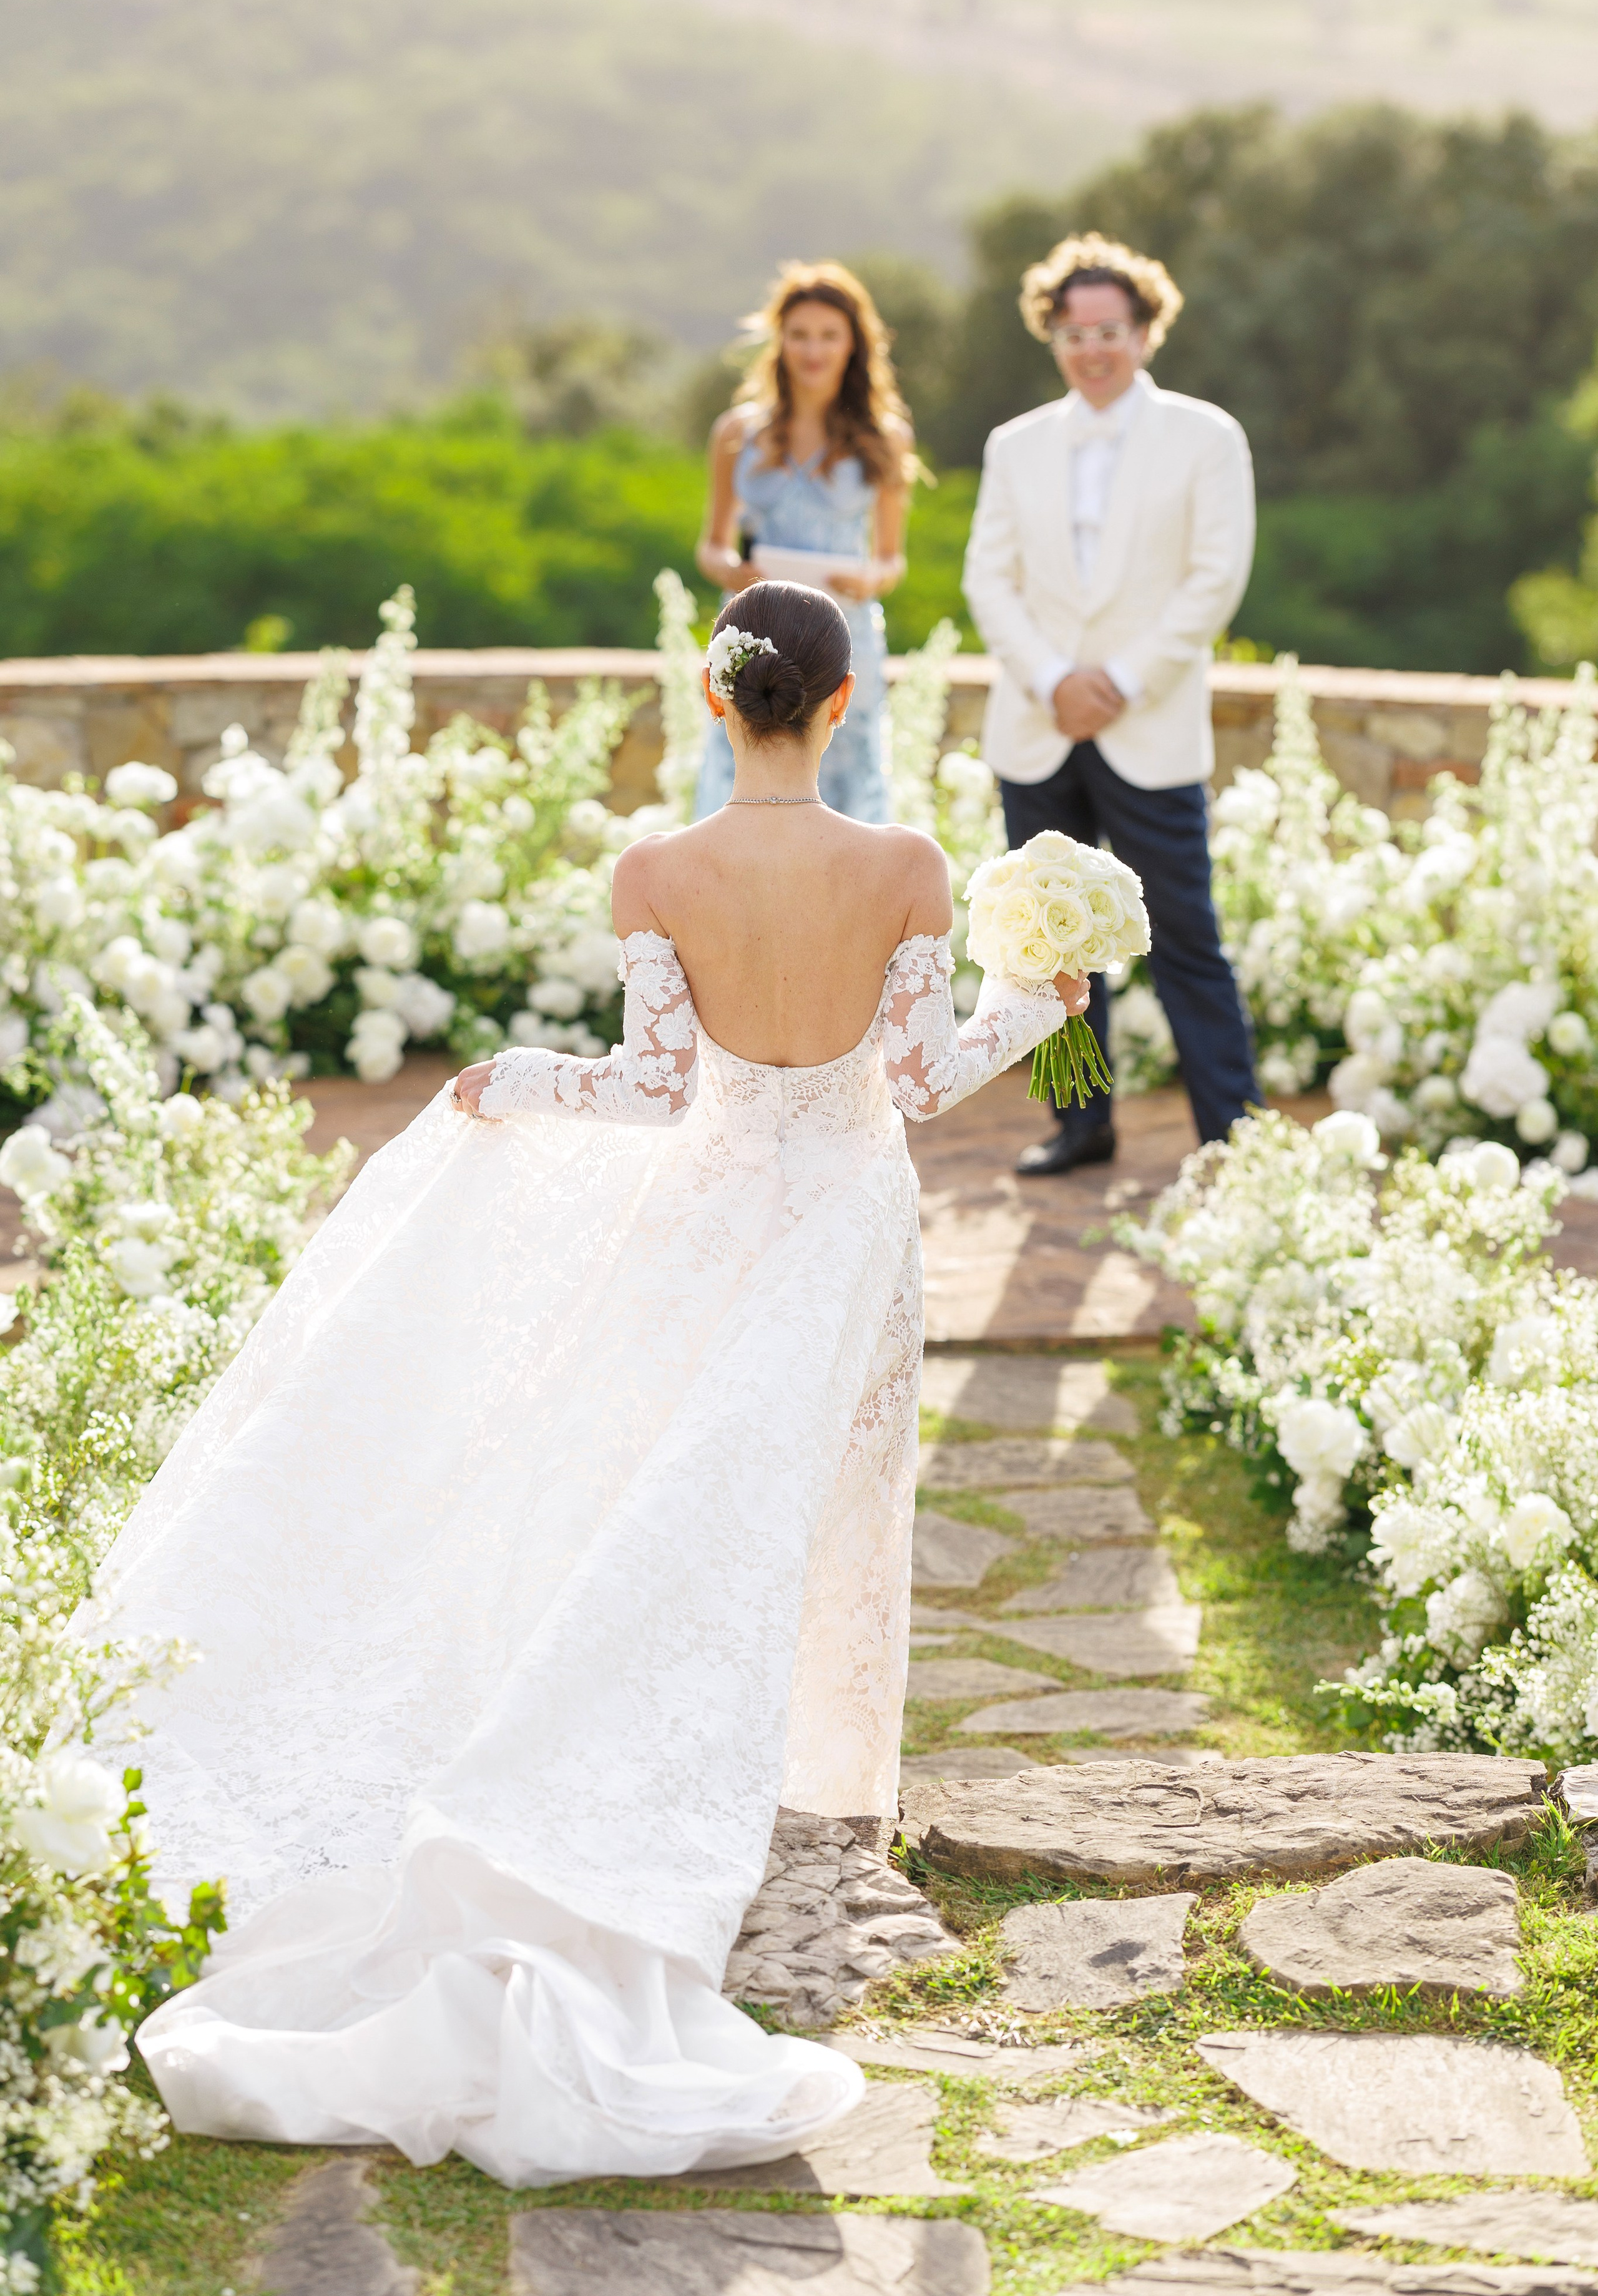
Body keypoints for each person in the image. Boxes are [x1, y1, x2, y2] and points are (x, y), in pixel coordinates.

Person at [87, 580, 1084, 2187]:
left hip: (710, 1211)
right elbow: (912, 1082)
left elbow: (653, 1088)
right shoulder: (905, 866)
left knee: (667, 1483)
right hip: (843, 1217)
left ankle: (702, 1755)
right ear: (840, 703)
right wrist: (1033, 1009)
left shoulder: (656, 870)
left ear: (714, 700)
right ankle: (813, 1780)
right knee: (816, 1490)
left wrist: (517, 1081)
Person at [962, 231, 1259, 1177]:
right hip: (1038, 725)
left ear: (1144, 332)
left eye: (1109, 331)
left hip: (1149, 723)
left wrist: (1121, 681)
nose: (1092, 349)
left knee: (1186, 940)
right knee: (1046, 946)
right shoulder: (1014, 446)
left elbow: (1215, 577)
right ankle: (1079, 1127)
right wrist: (1054, 678)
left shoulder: (1207, 438)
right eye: (1074, 333)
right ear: (1052, 336)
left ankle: (1236, 1141)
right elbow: (987, 578)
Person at [694, 262, 916, 825]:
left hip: (846, 632)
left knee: (848, 772)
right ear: (780, 340)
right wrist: (733, 572)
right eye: (800, 334)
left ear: (853, 344)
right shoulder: (736, 432)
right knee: (740, 769)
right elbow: (712, 546)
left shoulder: (886, 437)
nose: (813, 350)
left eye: (829, 335)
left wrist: (869, 579)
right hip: (751, 632)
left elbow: (892, 558)